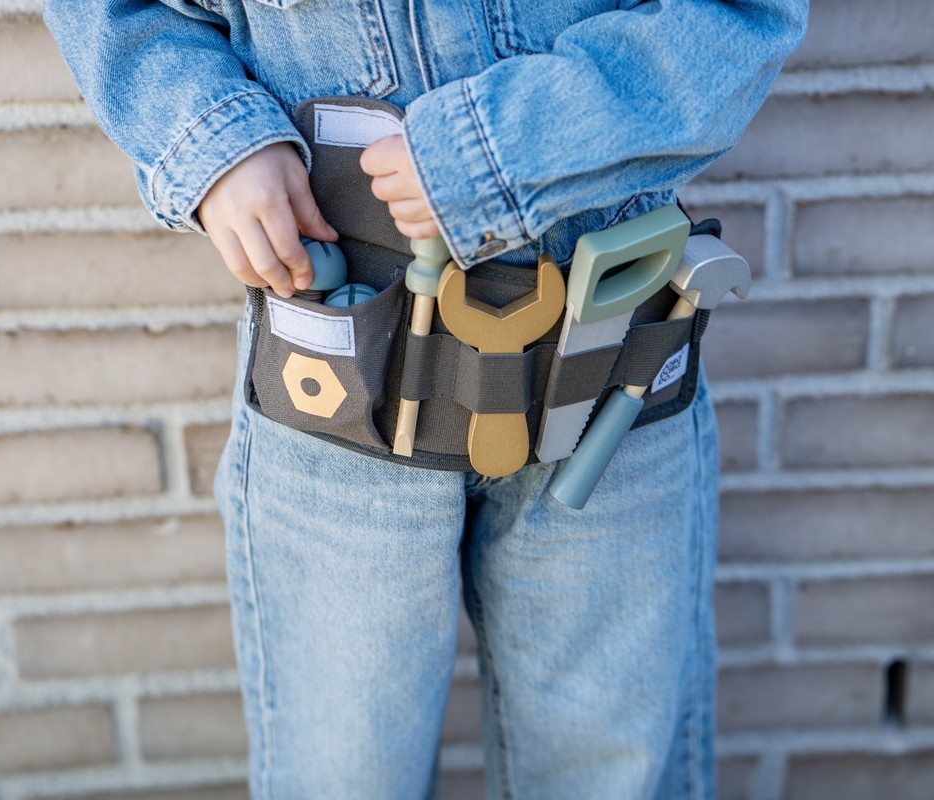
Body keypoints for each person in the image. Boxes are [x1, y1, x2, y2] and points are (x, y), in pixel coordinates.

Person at [45, 2, 807, 797]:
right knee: (341, 777)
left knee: (610, 772)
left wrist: (486, 155)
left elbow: (743, 18)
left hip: (611, 400)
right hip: (341, 414)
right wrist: (216, 144)